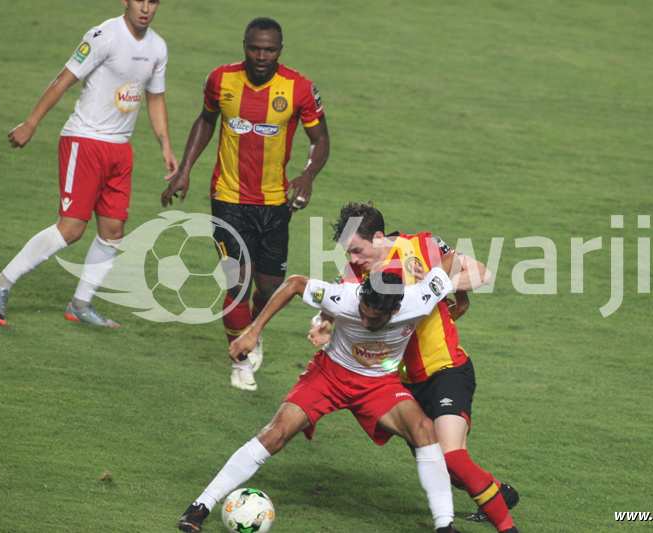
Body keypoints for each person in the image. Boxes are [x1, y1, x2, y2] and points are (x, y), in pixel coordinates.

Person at [177, 253, 466, 533]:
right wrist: (253, 331)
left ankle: (445, 525)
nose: (366, 322)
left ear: (396, 309)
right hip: (329, 376)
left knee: (424, 429)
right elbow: (294, 283)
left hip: (380, 384)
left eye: (375, 320)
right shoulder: (346, 297)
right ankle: (201, 505)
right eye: (363, 313)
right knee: (275, 434)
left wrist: (441, 279)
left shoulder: (420, 298)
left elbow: (453, 256)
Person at [308, 202, 519, 532]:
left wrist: (440, 284)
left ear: (378, 238)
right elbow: (333, 302)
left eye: (355, 250)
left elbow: (483, 273)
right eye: (348, 252)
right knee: (441, 465)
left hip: (447, 369)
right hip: (403, 384)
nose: (351, 259)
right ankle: (499, 493)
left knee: (451, 456)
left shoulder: (424, 245)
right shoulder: (358, 273)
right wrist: (321, 322)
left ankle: (506, 525)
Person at [0, 0, 178, 328]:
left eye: (153, 1)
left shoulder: (158, 47)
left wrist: (166, 146)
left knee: (113, 232)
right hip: (84, 142)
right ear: (125, 1)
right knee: (71, 228)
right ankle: (0, 282)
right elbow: (64, 78)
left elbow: (155, 96)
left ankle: (80, 304)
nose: (145, 7)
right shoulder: (104, 35)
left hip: (120, 151)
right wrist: (31, 123)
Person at [161, 17, 330, 391]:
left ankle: (253, 331)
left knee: (270, 288)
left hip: (275, 203)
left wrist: (306, 177)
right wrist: (185, 169)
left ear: (279, 51)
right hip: (228, 198)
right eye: (254, 48)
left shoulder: (299, 88)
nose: (261, 56)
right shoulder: (221, 80)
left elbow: (320, 140)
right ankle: (240, 363)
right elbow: (206, 121)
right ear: (244, 46)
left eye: (269, 50)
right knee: (237, 280)